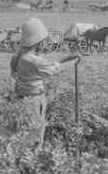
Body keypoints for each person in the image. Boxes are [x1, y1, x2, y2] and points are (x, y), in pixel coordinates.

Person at [10, 17, 80, 149]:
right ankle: (31, 166)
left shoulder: (19, 56)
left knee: (22, 137)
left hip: (21, 99)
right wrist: (73, 61)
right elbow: (56, 70)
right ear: (38, 41)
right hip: (34, 102)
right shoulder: (34, 61)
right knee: (35, 139)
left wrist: (64, 58)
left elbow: (48, 66)